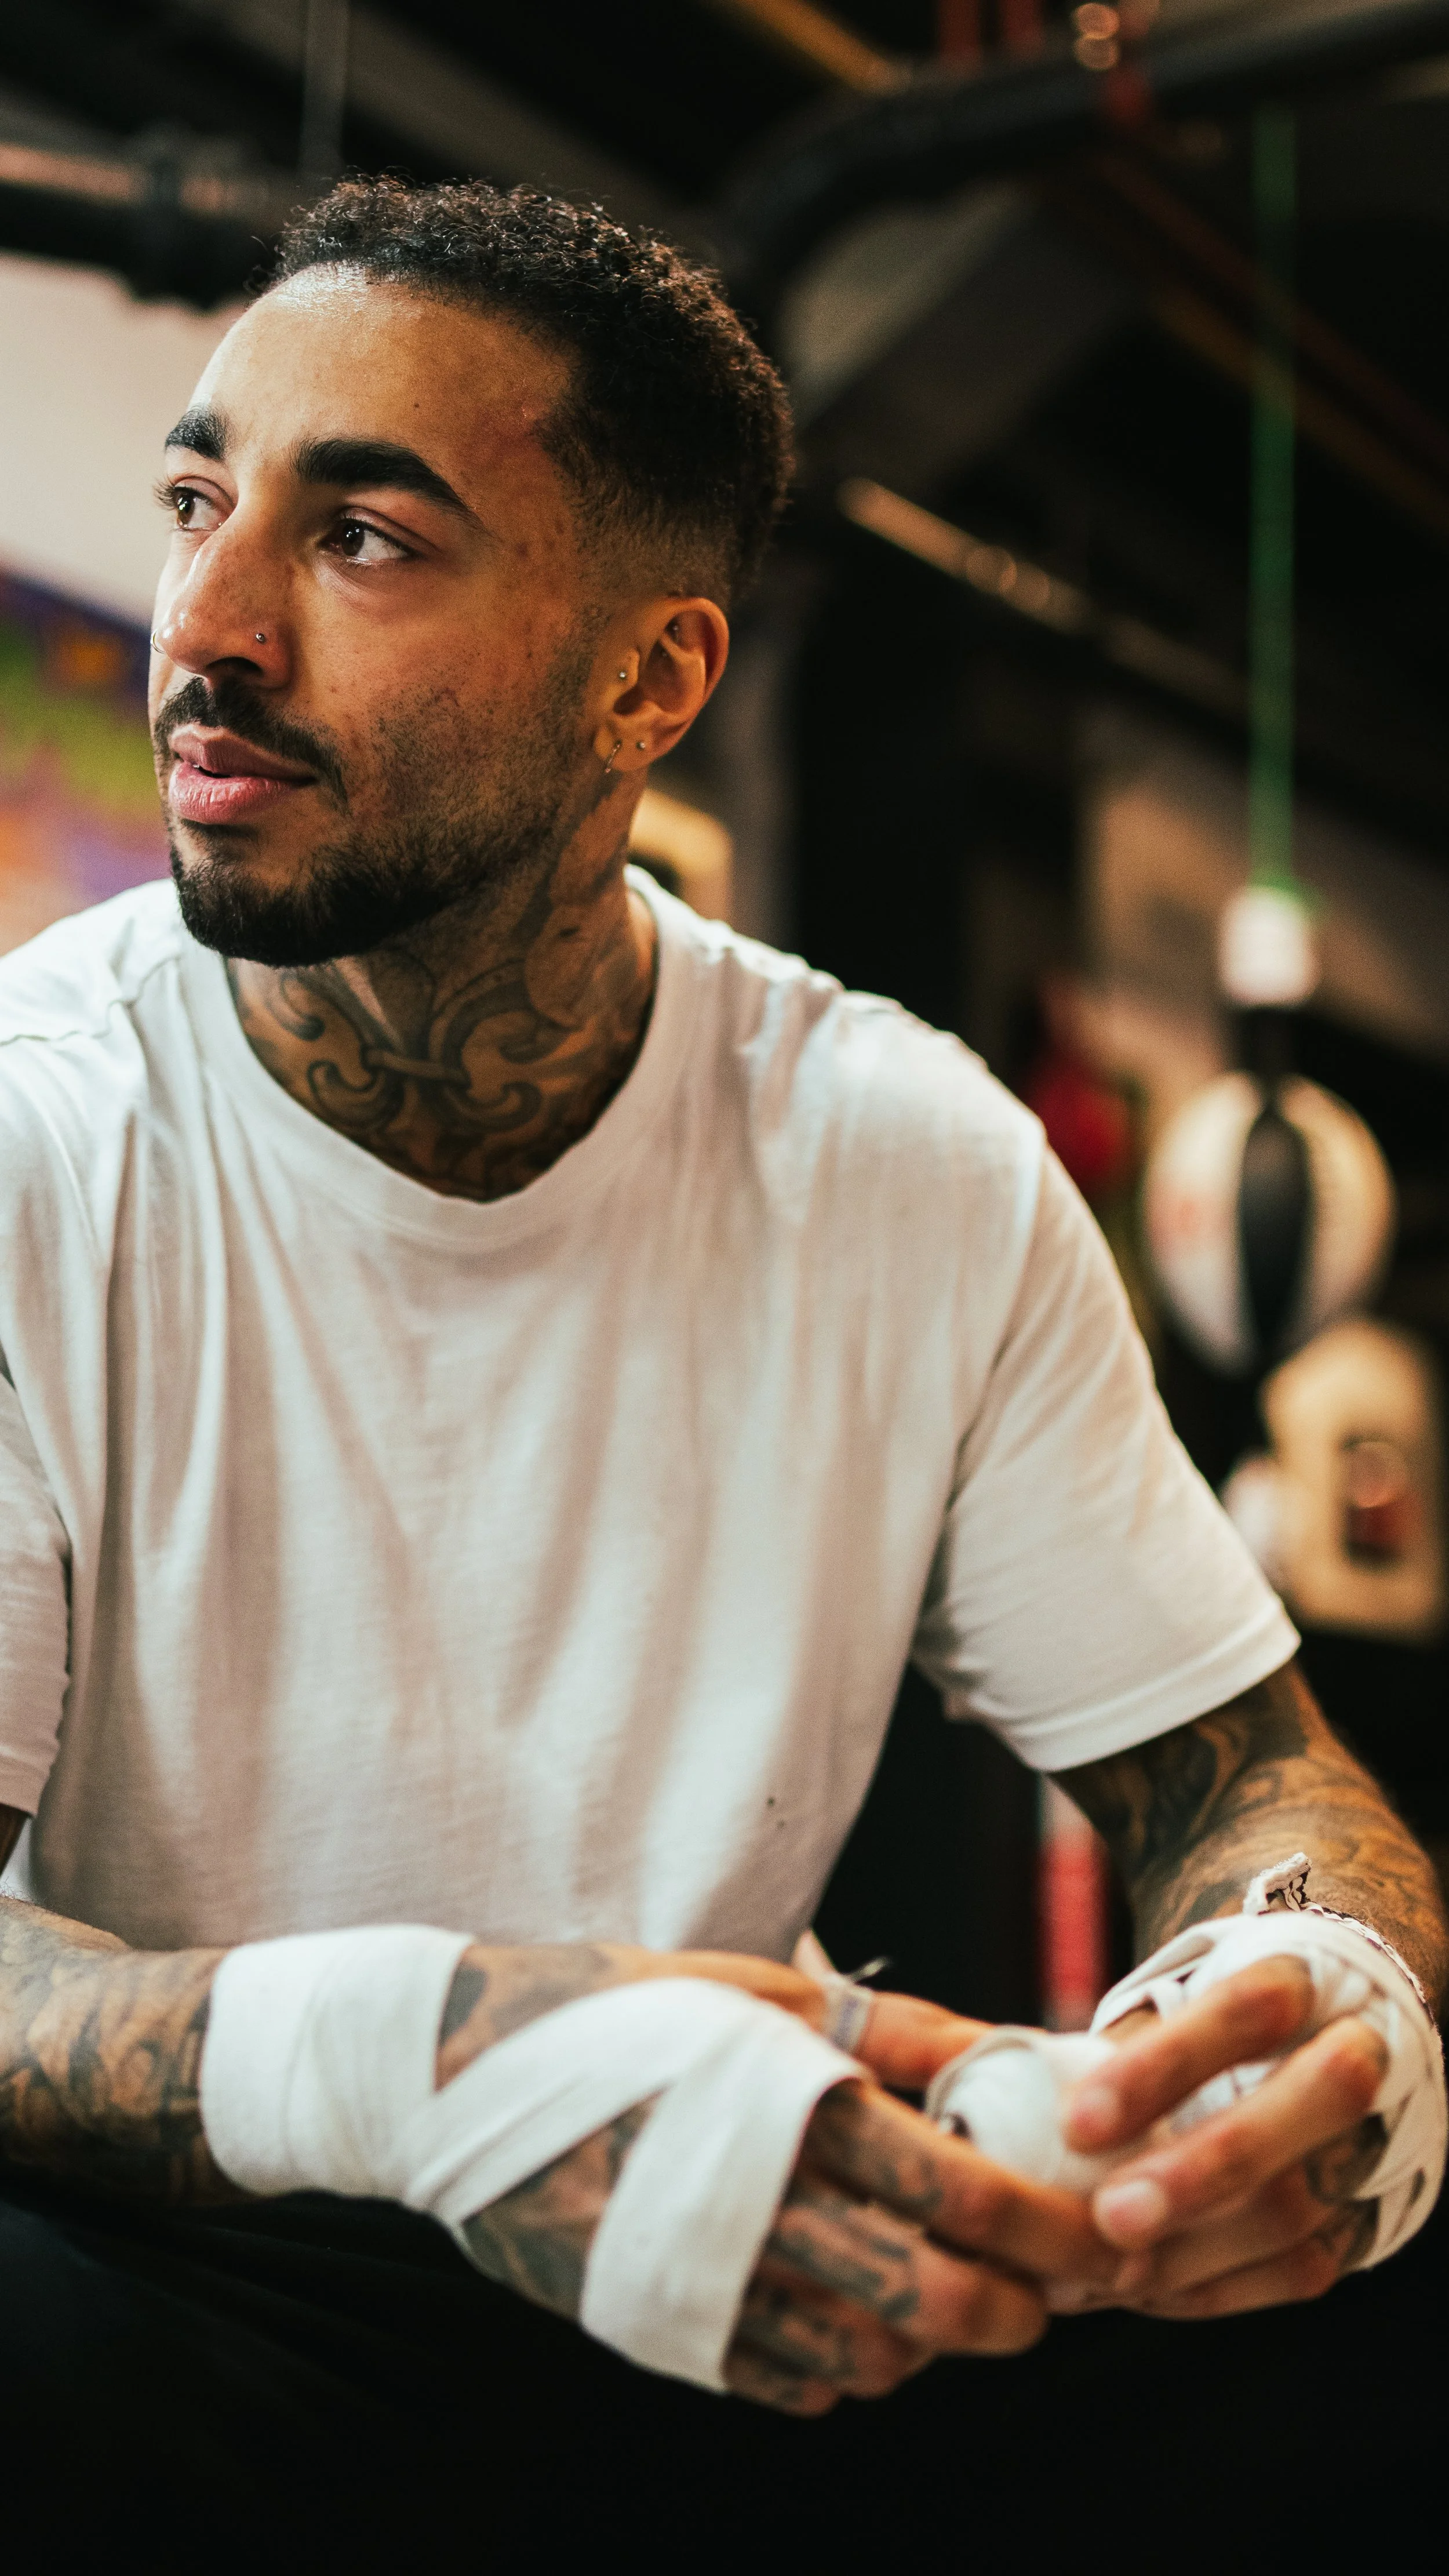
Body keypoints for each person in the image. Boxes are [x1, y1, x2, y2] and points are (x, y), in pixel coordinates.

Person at [0, 178, 1441, 2560]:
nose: (210, 625)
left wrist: (1312, 2007)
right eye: (193, 502)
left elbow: (1251, 1774)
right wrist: (419, 2063)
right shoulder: (42, 1130)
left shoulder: (908, 1158)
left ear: (649, 682)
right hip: (183, 2273)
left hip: (727, 2237)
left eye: (360, 538)